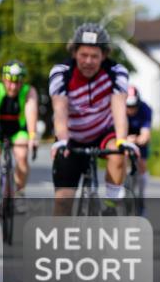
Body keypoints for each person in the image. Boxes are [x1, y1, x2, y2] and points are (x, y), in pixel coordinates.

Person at [49, 23, 129, 216]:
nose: (88, 61)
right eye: (83, 55)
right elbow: (60, 109)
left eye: (95, 56)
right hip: (71, 136)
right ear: (74, 52)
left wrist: (122, 140)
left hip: (103, 132)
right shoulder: (61, 72)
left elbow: (119, 108)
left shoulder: (116, 72)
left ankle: (111, 204)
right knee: (63, 202)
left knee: (119, 153)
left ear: (104, 56)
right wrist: (63, 140)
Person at [0, 60, 39, 220]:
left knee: (21, 156)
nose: (13, 87)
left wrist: (33, 136)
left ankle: (19, 193)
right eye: (10, 82)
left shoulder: (29, 91)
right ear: (3, 78)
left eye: (18, 82)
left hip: (17, 129)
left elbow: (31, 112)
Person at [125, 85, 153, 215]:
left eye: (134, 106)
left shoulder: (145, 109)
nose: (131, 109)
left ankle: (141, 199)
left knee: (142, 164)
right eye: (128, 106)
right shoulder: (119, 109)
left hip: (138, 138)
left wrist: (140, 139)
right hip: (123, 138)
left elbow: (145, 133)